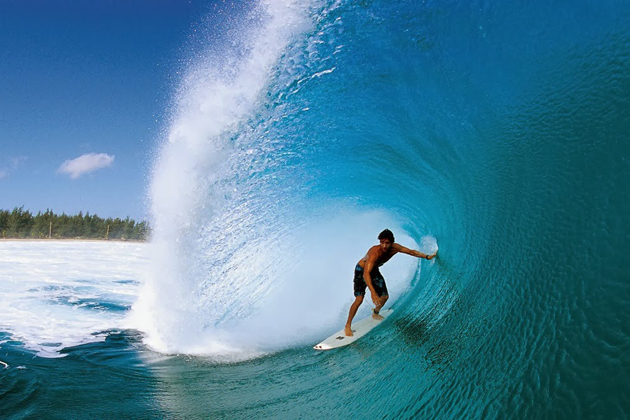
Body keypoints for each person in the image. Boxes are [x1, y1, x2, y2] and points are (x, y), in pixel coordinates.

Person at [344, 229, 437, 336]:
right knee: (359, 299)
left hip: (373, 271)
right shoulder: (375, 253)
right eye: (382, 242)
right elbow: (366, 274)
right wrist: (373, 293)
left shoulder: (395, 248)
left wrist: (426, 256)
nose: (384, 245)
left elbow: (411, 252)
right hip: (361, 271)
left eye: (387, 243)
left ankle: (375, 313)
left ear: (392, 242)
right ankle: (347, 325)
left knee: (385, 297)